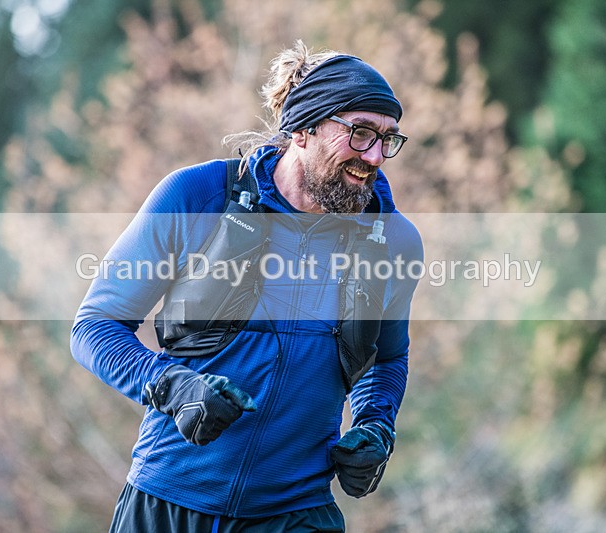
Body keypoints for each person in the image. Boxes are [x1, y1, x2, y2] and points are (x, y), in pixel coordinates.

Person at [71, 40, 423, 532]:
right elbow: (95, 327)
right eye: (360, 133)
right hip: (168, 503)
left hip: (295, 513)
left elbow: (386, 358)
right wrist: (173, 385)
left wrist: (374, 425)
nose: (375, 155)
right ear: (302, 129)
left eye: (388, 139)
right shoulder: (197, 197)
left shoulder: (394, 241)